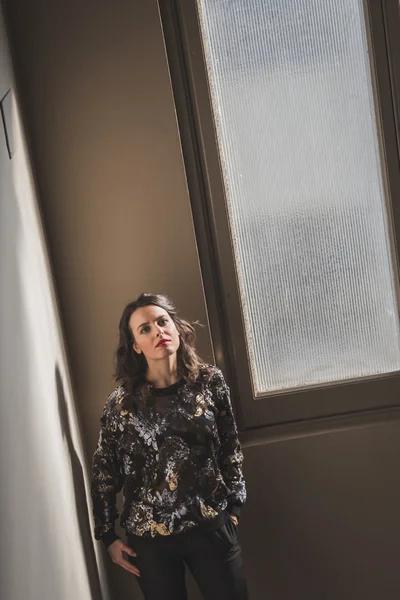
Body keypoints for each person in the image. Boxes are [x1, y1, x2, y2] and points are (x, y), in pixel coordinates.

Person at [91, 293, 248, 600]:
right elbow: (104, 472)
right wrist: (107, 535)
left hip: (210, 526)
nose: (158, 331)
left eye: (162, 322)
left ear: (176, 327)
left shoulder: (210, 382)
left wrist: (234, 508)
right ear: (136, 346)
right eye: (144, 329)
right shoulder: (122, 405)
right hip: (150, 541)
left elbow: (230, 446)